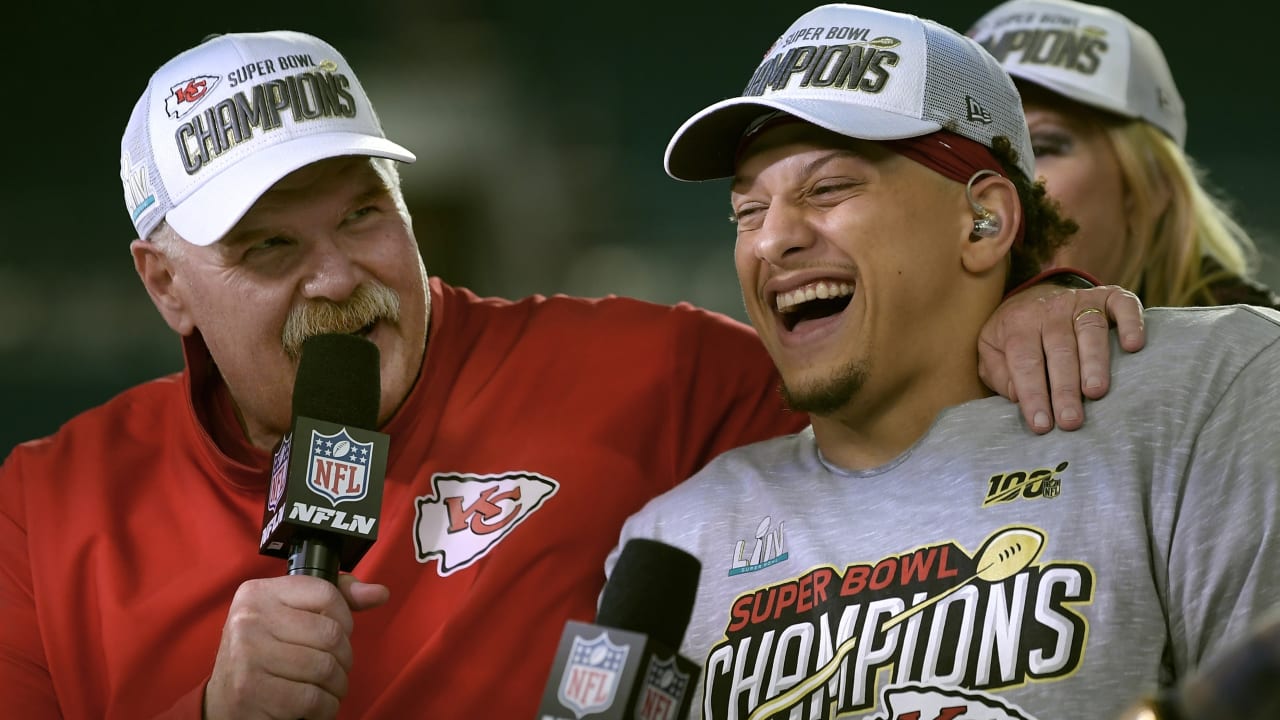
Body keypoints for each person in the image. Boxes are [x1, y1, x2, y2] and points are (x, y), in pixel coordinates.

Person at [1, 29, 1139, 720]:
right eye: (268, 248)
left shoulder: (645, 370)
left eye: (362, 215)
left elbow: (884, 362)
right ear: (165, 284)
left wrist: (1032, 295)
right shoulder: (42, 511)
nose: (340, 277)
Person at [607, 3, 1280, 720]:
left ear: (983, 222)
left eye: (828, 188)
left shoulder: (1205, 393)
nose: (771, 240)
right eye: (747, 212)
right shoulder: (671, 543)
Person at [968, 0, 1280, 309]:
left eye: (1041, 148)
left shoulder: (1256, 339)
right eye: (972, 147)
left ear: (1150, 185)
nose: (996, 180)